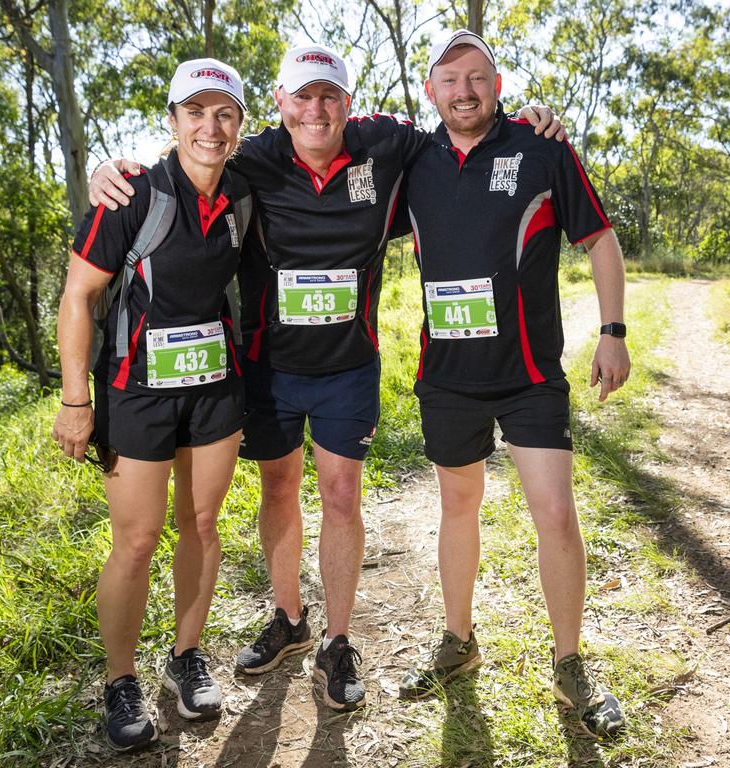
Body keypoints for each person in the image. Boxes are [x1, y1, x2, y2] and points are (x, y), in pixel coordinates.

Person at [87, 44, 564, 712]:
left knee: (342, 496)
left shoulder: (389, 145)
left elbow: (465, 131)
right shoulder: (249, 158)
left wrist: (527, 119)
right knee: (278, 490)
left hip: (348, 367)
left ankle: (338, 640)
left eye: (329, 95)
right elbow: (184, 160)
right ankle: (289, 619)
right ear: (280, 103)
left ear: (348, 102)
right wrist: (104, 167)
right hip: (268, 368)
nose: (315, 109)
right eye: (302, 96)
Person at [395, 31, 629, 741]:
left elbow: (602, 241)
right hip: (448, 379)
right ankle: (458, 643)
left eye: (476, 77)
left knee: (555, 514)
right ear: (430, 89)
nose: (463, 91)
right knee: (457, 506)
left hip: (530, 376)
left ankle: (569, 665)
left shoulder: (542, 148)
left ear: (496, 83)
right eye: (449, 80)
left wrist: (613, 332)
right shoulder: (410, 159)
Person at [52, 58, 250, 750]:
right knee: (136, 540)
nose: (209, 126)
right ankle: (120, 681)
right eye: (194, 112)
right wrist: (77, 399)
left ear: (239, 126)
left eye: (224, 113)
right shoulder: (130, 192)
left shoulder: (245, 192)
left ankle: (186, 657)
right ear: (172, 122)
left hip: (214, 386)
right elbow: (78, 297)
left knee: (202, 520)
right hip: (135, 391)